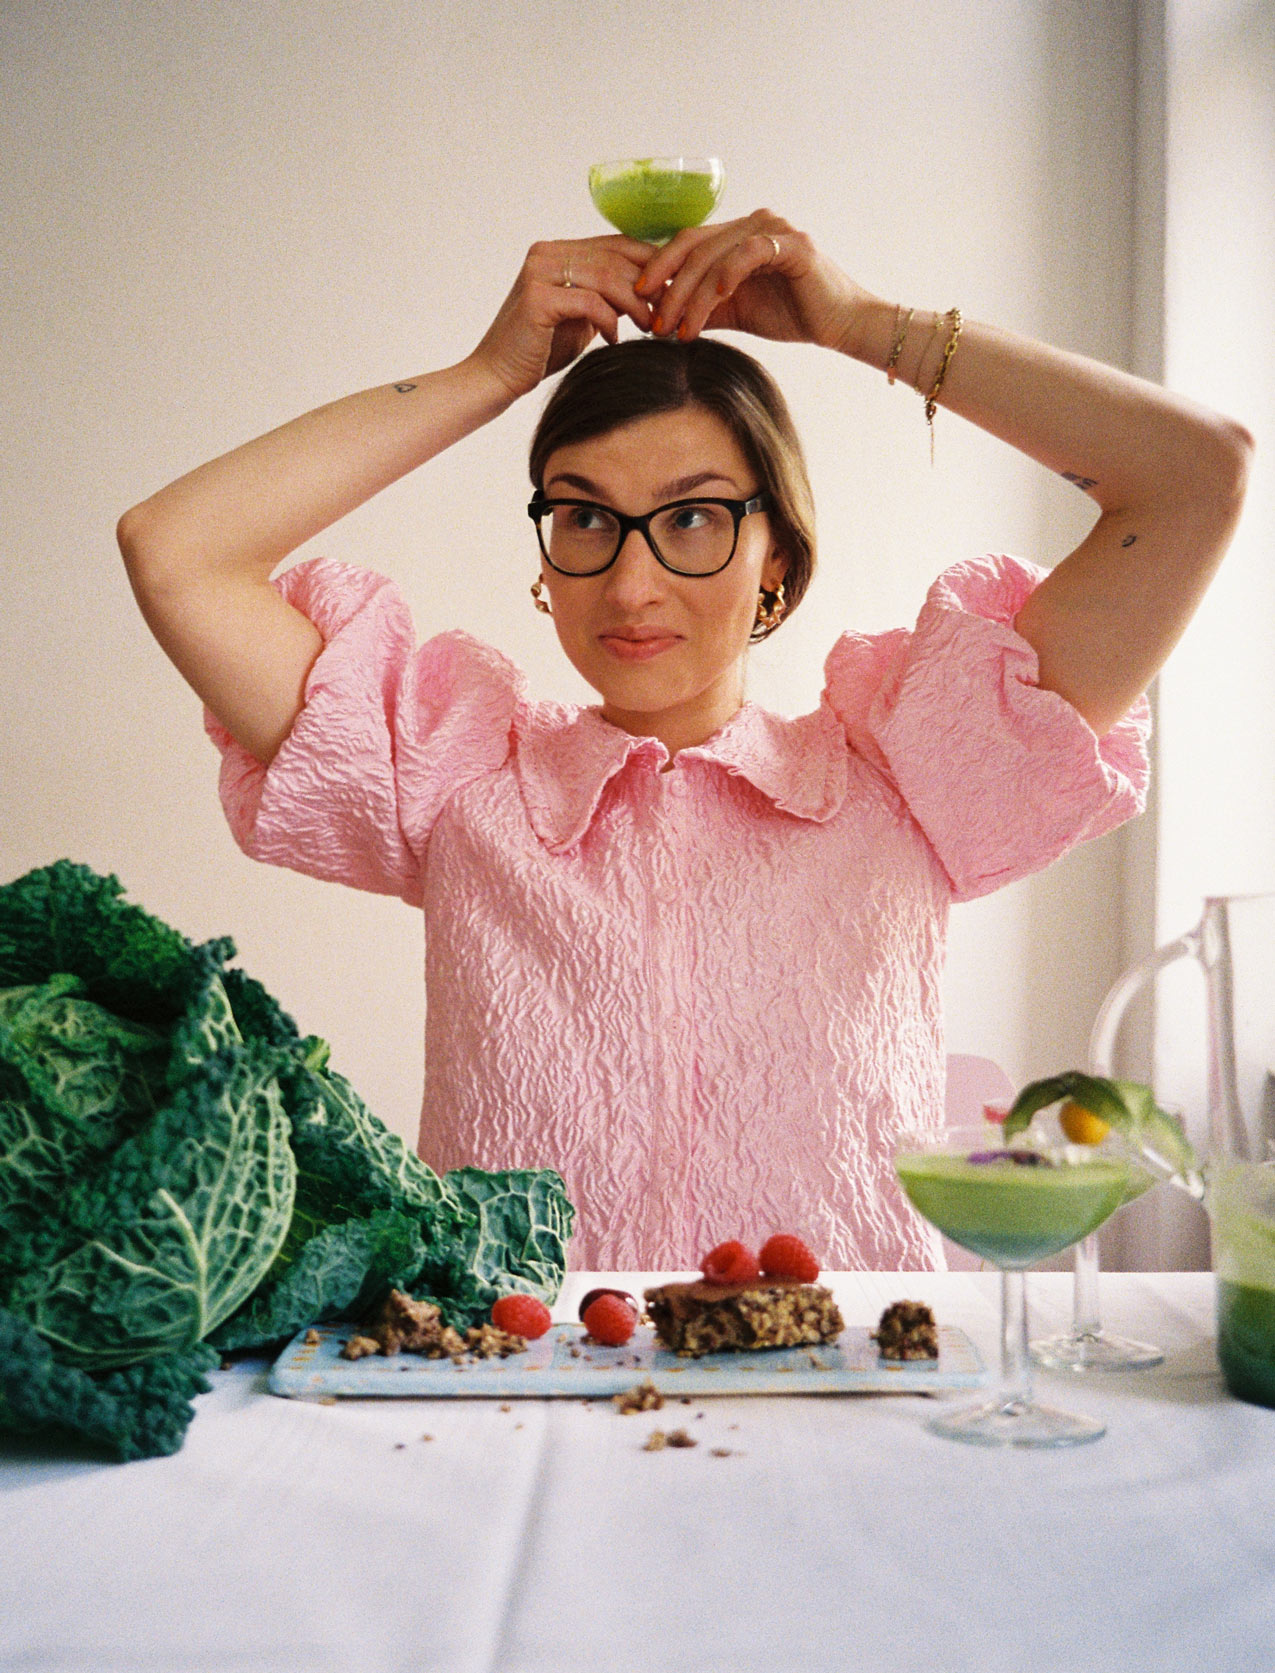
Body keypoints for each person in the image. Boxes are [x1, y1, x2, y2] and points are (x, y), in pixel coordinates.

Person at [117, 209, 1252, 1270]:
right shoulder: (453, 776)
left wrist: (858, 325)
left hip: (842, 1398)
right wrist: (488, 377)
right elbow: (177, 549)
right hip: (515, 1395)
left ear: (779, 560)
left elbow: (1196, 475)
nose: (631, 579)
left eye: (697, 516)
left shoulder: (917, 773)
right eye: (584, 516)